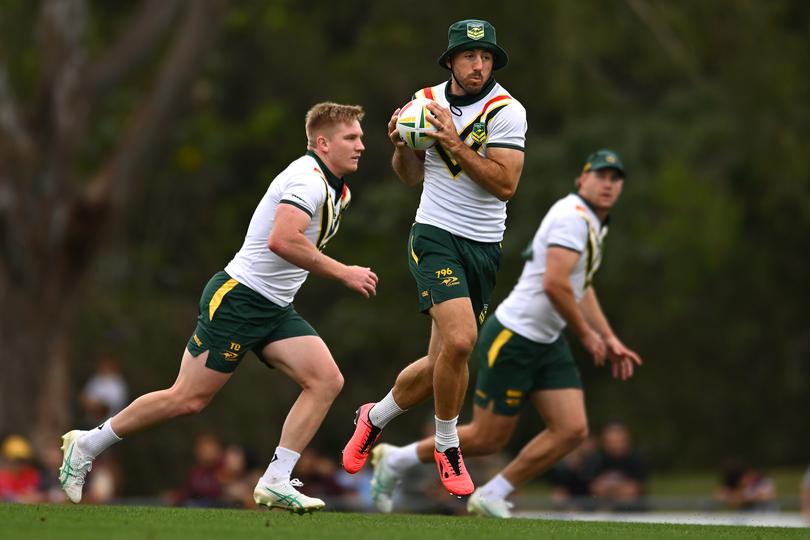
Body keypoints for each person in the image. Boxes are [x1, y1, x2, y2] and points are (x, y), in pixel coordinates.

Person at [58, 102, 376, 514]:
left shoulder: (339, 189)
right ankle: (85, 445)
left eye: (361, 137)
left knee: (326, 380)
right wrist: (344, 273)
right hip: (239, 298)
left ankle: (276, 480)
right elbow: (282, 239)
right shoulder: (308, 178)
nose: (361, 146)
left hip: (275, 308)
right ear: (322, 143)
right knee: (187, 398)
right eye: (351, 138)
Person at [366, 149, 642, 517]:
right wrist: (588, 336)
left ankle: (493, 493)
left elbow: (581, 284)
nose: (608, 184)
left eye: (615, 178)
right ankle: (396, 460)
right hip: (515, 336)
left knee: (572, 430)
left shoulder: (594, 222)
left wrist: (607, 336)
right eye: (600, 175)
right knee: (487, 437)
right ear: (582, 180)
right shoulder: (571, 217)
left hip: (548, 340)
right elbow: (555, 285)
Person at [342, 19, 527, 498]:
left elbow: (505, 184)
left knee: (440, 361)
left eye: (486, 57)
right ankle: (447, 445)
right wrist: (402, 147)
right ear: (450, 61)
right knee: (462, 343)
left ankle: (374, 416)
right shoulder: (423, 103)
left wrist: (450, 140)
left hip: (483, 247)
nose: (478, 65)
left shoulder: (507, 111)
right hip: (435, 235)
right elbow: (408, 176)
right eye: (469, 56)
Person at [587, 421, 648, 511]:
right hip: (602, 512)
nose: (614, 446)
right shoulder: (596, 459)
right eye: (610, 442)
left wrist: (608, 491)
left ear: (626, 440)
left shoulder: (637, 459)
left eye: (618, 441)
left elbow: (633, 491)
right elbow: (595, 490)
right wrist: (620, 491)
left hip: (634, 512)